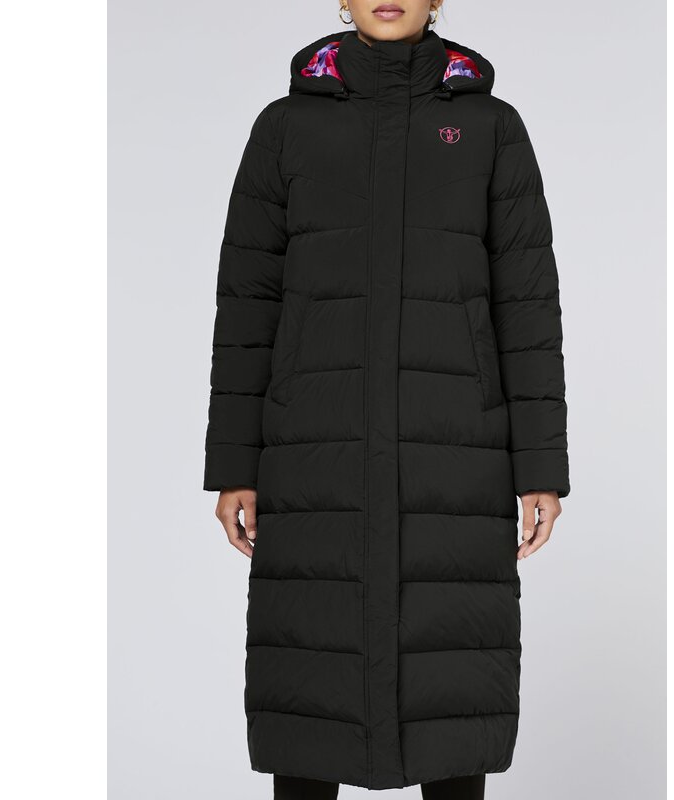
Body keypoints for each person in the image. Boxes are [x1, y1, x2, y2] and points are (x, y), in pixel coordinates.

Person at [204, 1, 569, 797]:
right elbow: (248, 306)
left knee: (452, 682)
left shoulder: (491, 128)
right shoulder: (284, 129)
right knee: (311, 684)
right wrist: (234, 464)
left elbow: (528, 306)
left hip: (456, 451)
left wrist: (540, 466)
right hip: (314, 449)